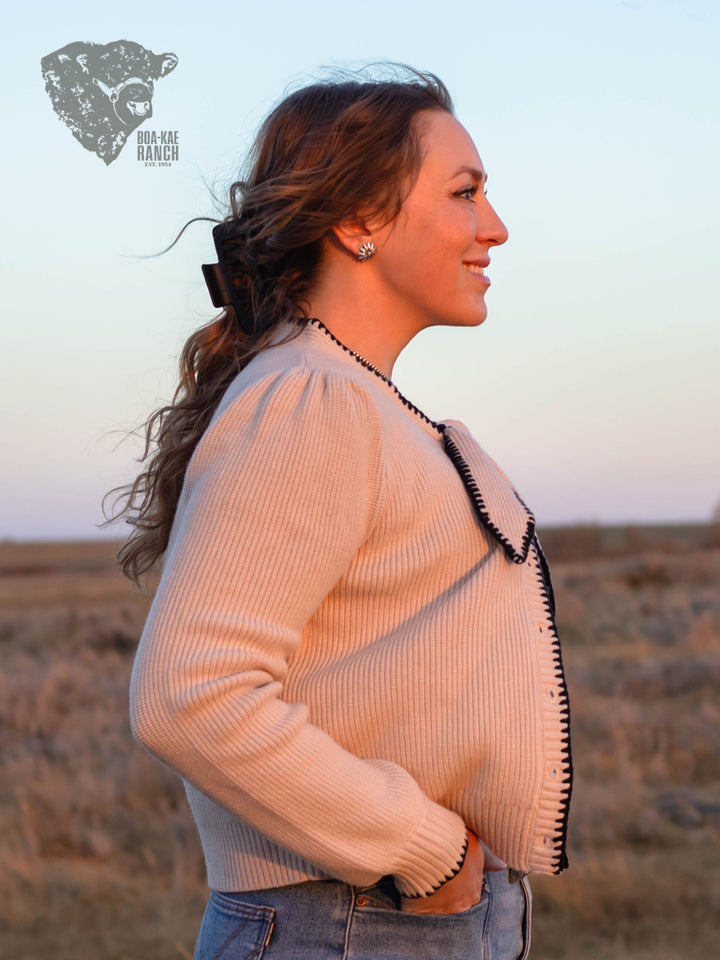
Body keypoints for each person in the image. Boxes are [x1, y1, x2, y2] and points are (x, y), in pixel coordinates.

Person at [117, 65, 572, 960]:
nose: (496, 226)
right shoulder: (308, 403)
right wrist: (424, 850)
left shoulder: (345, 399)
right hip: (353, 918)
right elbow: (189, 692)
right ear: (359, 222)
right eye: (465, 192)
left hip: (381, 915)